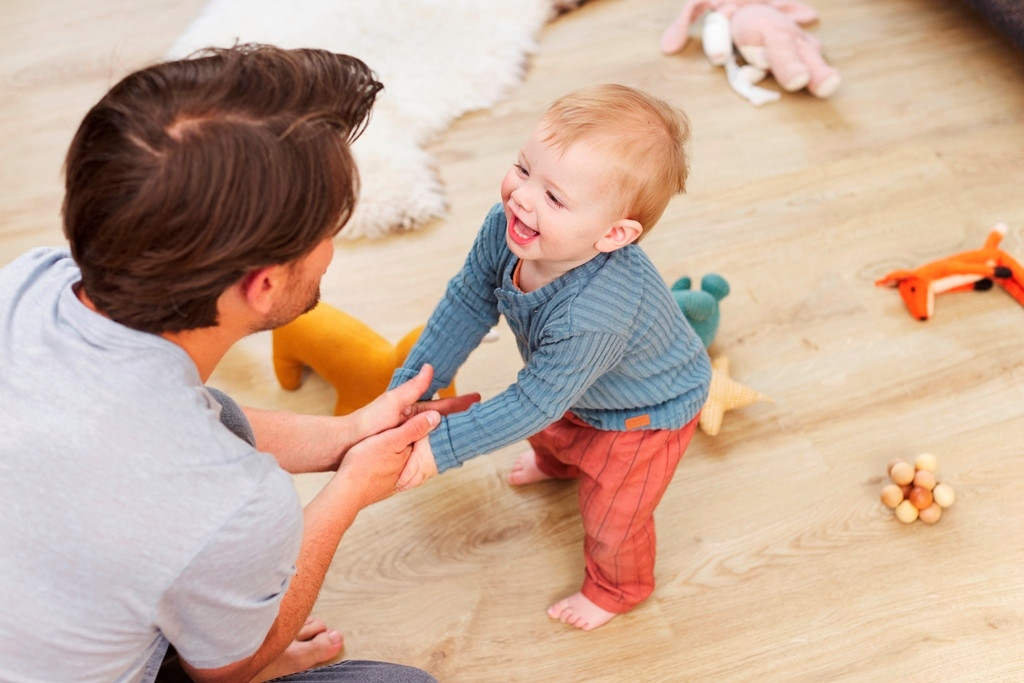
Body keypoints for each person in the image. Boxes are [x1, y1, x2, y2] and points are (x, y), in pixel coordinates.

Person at [0, 44, 477, 683]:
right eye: (327, 230)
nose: (331, 246)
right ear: (264, 284)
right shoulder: (233, 501)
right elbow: (227, 669)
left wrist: (349, 435)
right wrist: (350, 490)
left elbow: (168, 426)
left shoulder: (31, 283)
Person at [388, 84, 712, 632]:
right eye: (523, 168)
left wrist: (439, 448)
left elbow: (534, 400)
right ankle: (560, 464)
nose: (522, 198)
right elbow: (469, 299)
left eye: (555, 198)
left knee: (614, 518)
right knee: (557, 427)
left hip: (644, 417)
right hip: (575, 387)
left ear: (612, 234)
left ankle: (618, 589)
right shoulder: (505, 227)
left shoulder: (595, 314)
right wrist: (417, 382)